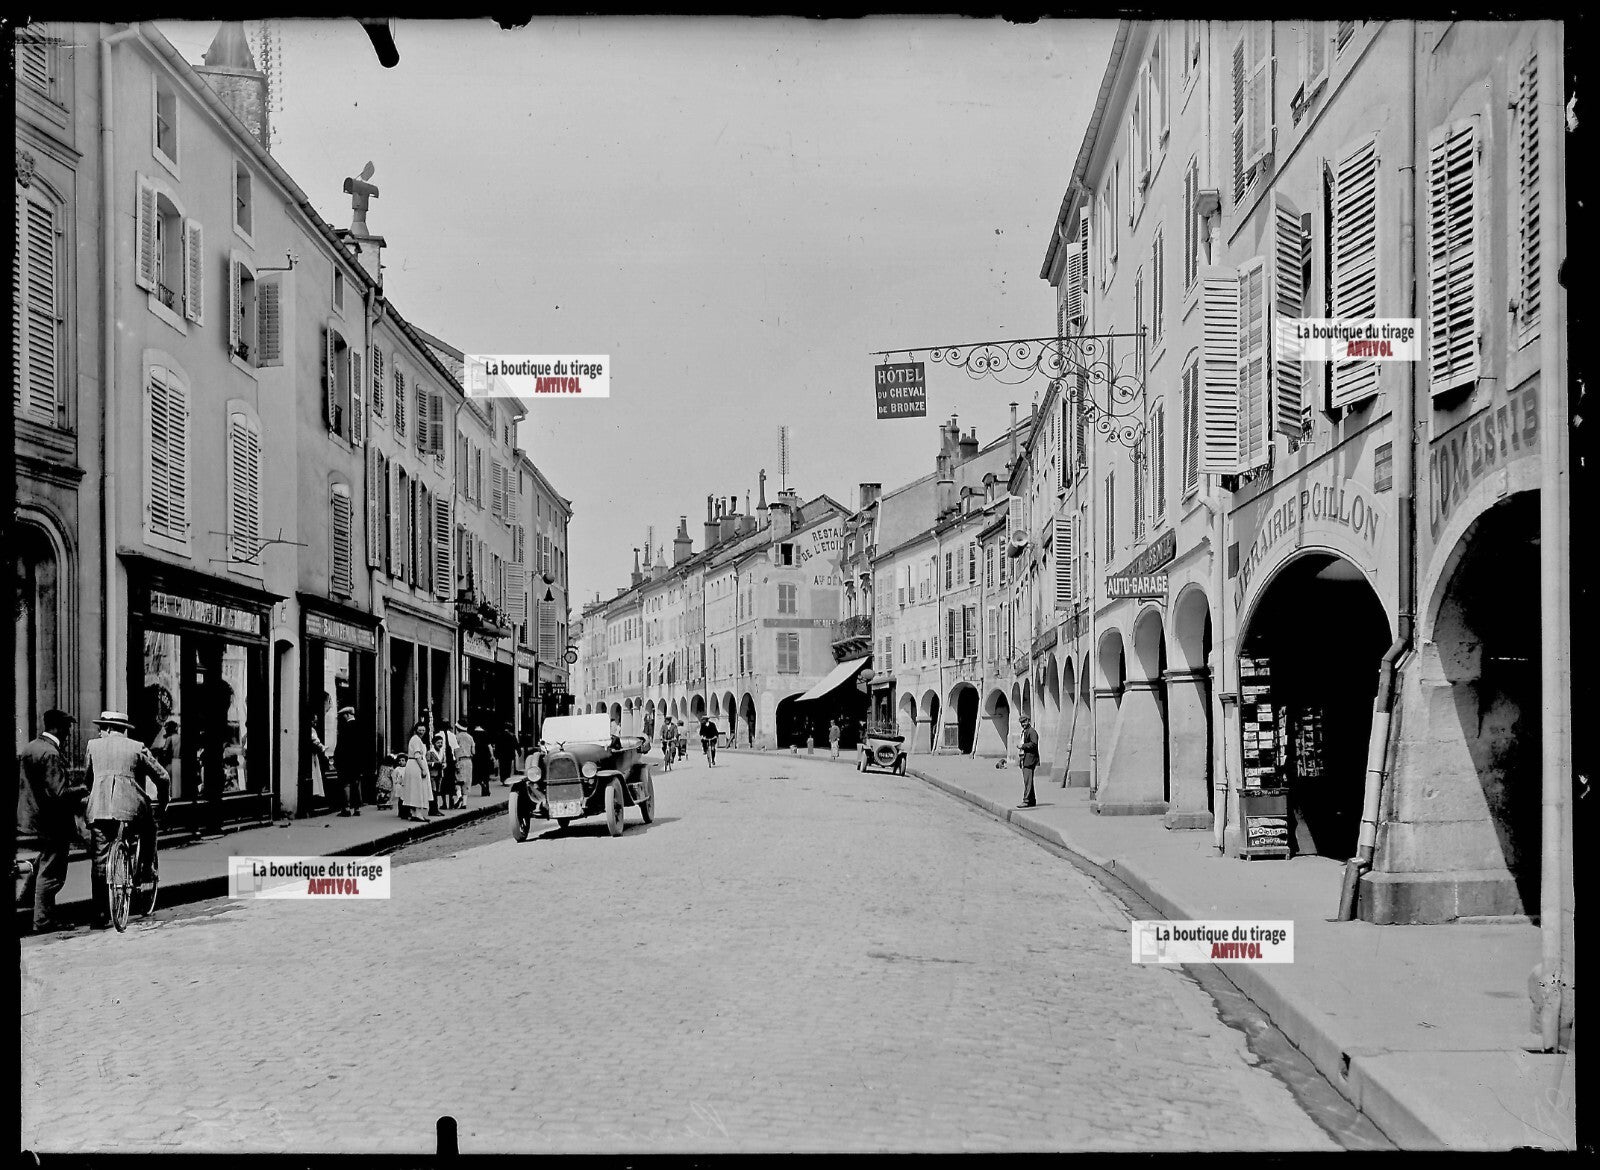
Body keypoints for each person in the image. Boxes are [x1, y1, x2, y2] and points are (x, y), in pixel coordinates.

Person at [83, 711, 169, 930]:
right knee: (149, 827)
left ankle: (99, 914)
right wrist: (164, 800)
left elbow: (87, 778)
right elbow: (162, 776)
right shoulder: (136, 746)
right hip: (131, 808)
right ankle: (146, 868)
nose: (100, 732)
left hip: (100, 808)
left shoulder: (93, 746)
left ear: (110, 729)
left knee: (100, 858)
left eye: (102, 727)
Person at [18, 709, 87, 933]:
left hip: (32, 818)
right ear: (57, 727)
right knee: (52, 872)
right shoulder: (51, 753)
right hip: (51, 822)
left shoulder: (30, 747)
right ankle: (43, 921)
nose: (69, 732)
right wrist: (83, 790)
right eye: (67, 727)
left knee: (41, 862)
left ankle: (26, 900)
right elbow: (59, 793)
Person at [399, 721, 434, 821]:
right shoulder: (415, 739)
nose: (421, 732)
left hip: (414, 764)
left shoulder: (418, 740)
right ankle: (417, 813)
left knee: (415, 789)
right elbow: (417, 755)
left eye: (423, 730)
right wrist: (423, 769)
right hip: (416, 765)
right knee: (418, 789)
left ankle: (414, 813)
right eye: (419, 730)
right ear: (415, 730)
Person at [332, 707, 364, 817]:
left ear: (347, 715)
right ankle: (357, 808)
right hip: (357, 761)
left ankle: (346, 809)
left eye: (343, 716)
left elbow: (340, 746)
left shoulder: (345, 727)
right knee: (356, 783)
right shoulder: (360, 726)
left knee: (345, 784)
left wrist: (336, 759)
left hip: (345, 761)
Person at [1016, 715, 1040, 809]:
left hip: (1030, 759)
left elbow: (1034, 744)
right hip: (1025, 759)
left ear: (1028, 721)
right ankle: (1032, 801)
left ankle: (1026, 801)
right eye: (1021, 723)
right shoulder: (1025, 731)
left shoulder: (1032, 731)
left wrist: (1023, 746)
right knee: (1028, 781)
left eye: (1024, 722)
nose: (1023, 724)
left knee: (1027, 781)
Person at [455, 722, 478, 798]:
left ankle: (459, 796)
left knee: (458, 780)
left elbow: (454, 750)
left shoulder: (456, 737)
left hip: (459, 760)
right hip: (468, 761)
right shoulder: (470, 737)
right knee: (467, 781)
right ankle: (464, 802)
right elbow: (473, 752)